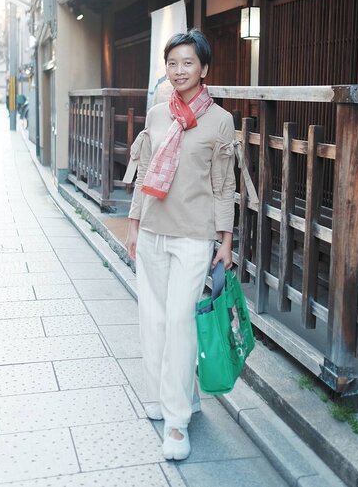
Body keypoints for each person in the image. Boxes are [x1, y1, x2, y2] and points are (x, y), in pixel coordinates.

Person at [125, 28, 236, 461]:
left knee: (179, 323)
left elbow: (224, 187)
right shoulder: (156, 114)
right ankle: (163, 397)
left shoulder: (219, 120)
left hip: (193, 236)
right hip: (152, 230)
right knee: (151, 319)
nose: (179, 70)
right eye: (172, 63)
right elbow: (143, 171)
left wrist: (225, 241)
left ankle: (177, 423)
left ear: (203, 69)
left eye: (187, 62)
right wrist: (134, 224)